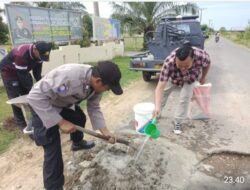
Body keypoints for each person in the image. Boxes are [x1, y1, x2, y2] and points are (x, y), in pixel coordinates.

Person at [27, 61, 123, 190]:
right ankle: (53, 187)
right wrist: (60, 122)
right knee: (52, 150)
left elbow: (94, 106)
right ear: (98, 81)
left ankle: (77, 143)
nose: (107, 91)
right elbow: (34, 97)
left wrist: (105, 131)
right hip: (43, 105)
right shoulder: (68, 77)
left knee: (78, 117)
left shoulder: (96, 84)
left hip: (61, 104)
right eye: (108, 88)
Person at [153, 43, 211, 134]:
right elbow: (159, 87)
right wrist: (157, 106)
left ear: (193, 59)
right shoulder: (169, 62)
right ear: (175, 59)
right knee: (163, 94)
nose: (183, 69)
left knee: (184, 98)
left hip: (190, 79)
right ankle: (156, 114)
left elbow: (207, 64)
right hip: (173, 78)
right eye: (179, 66)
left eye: (187, 66)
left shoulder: (201, 56)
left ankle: (178, 122)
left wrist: (203, 77)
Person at [0, 41, 52, 130]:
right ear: (35, 49)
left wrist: (41, 86)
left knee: (31, 95)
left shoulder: (40, 54)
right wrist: (32, 89)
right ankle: (21, 124)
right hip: (9, 72)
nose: (41, 58)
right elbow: (22, 75)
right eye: (41, 56)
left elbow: (37, 73)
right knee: (15, 98)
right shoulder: (21, 54)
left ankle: (35, 119)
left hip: (23, 71)